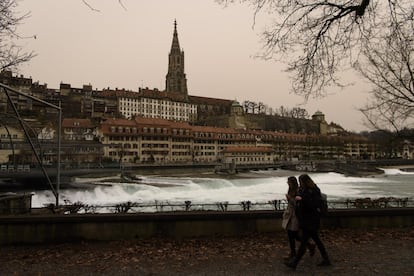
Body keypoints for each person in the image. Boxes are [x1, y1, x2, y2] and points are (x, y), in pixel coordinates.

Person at [285, 174, 331, 270]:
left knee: (304, 242)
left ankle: (295, 262)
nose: (300, 184)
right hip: (307, 220)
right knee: (316, 240)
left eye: (301, 181)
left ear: (305, 181)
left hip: (311, 220)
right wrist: (297, 200)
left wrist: (302, 200)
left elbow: (313, 205)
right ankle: (326, 259)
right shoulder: (305, 190)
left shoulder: (314, 190)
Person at [282, 176, 315, 261]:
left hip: (295, 216)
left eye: (288, 182)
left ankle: (308, 245)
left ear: (292, 183)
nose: (287, 183)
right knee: (290, 235)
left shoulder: (297, 191)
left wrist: (290, 200)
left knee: (295, 235)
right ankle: (293, 252)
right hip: (290, 215)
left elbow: (298, 204)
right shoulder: (291, 190)